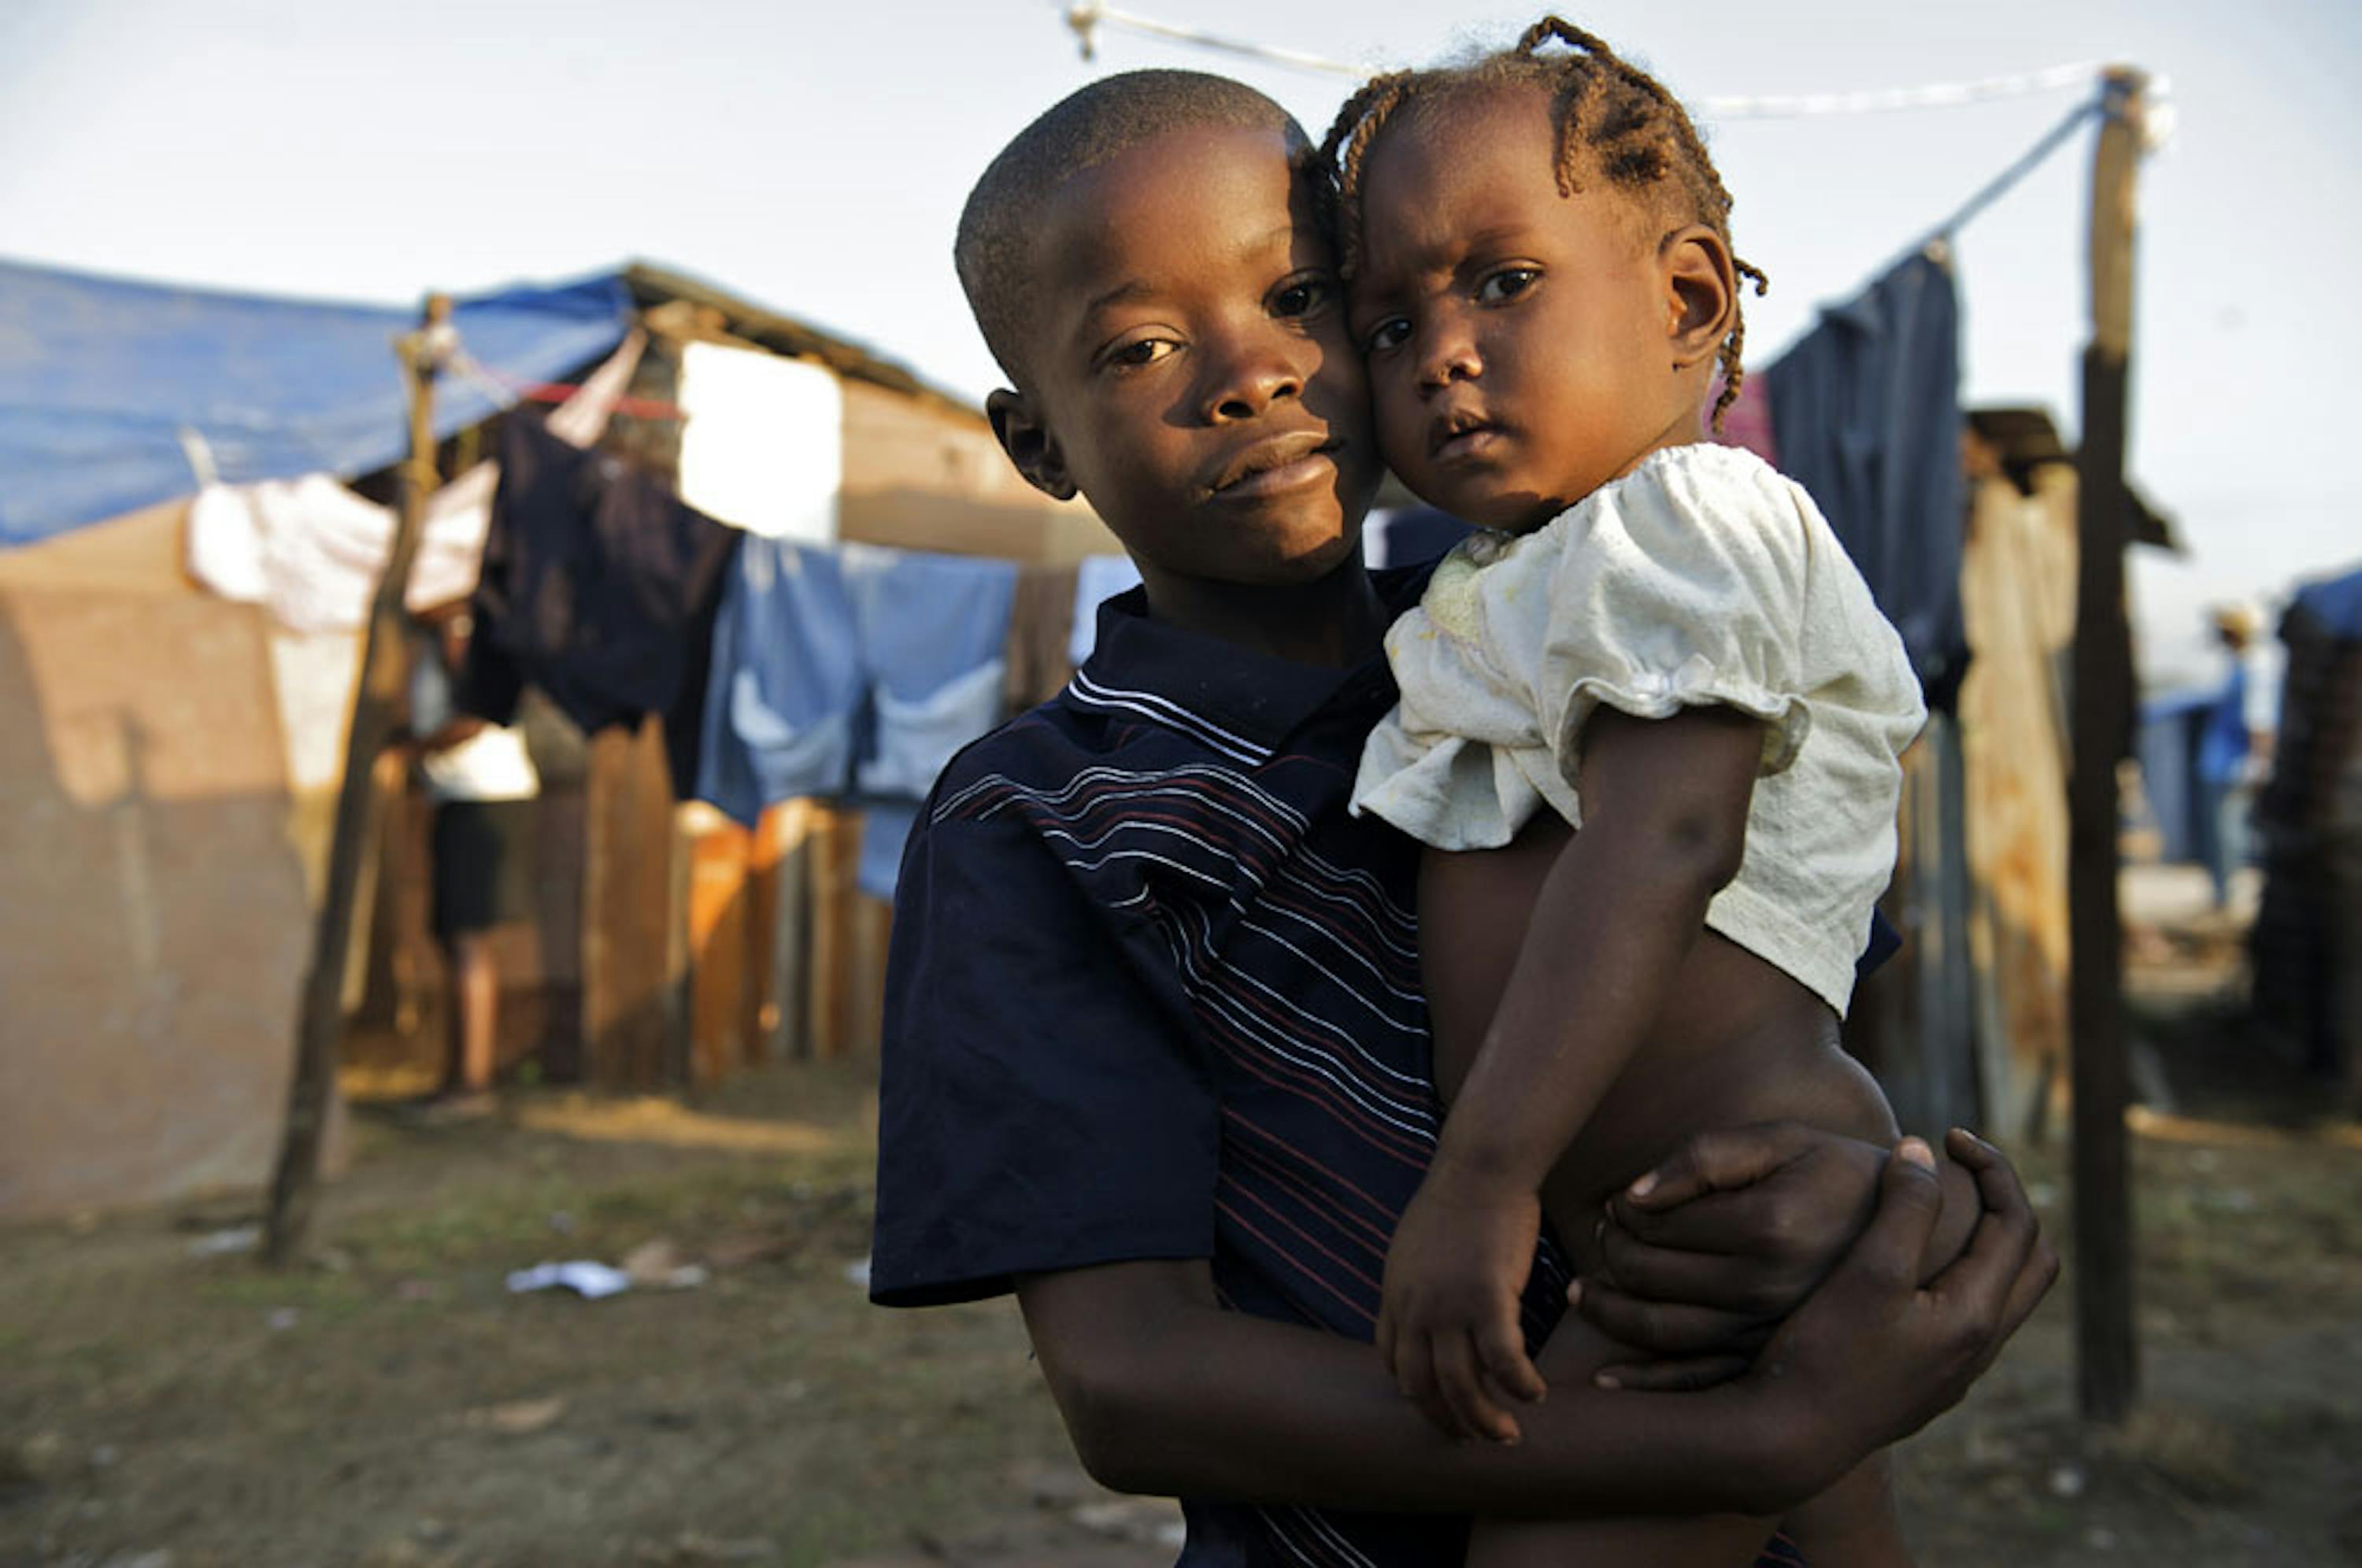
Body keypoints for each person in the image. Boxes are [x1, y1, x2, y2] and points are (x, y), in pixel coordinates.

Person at [869, 66, 2055, 1567]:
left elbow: (1790, 1007)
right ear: (1038, 444)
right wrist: (1749, 1436)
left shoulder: (1584, 635)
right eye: (1145, 346)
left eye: (1300, 293)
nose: (1250, 374)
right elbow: (1132, 1381)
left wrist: (1841, 1203)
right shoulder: (1048, 823)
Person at [1321, 20, 1957, 1562]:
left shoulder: (1688, 514)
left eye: (1499, 280)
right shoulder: (1520, 573)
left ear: (1686, 300)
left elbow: (1670, 835)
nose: (1442, 353)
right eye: (1389, 323)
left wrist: (1484, 1181)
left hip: (1724, 1225)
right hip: (1679, 1225)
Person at [395, 604, 540, 1115]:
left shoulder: (469, 637)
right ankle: (459, 1076)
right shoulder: (432, 646)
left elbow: (477, 716)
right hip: (460, 801)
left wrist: (408, 751)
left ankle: (472, 1085)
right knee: (456, 940)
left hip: (484, 800)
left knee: (469, 942)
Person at [2196, 603, 2271, 908]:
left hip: (2232, 766)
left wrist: (2257, 763)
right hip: (2218, 765)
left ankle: (2229, 896)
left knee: (2229, 833)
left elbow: (2261, 723)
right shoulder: (2236, 668)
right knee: (2221, 832)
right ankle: (2222, 893)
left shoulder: (2254, 670)